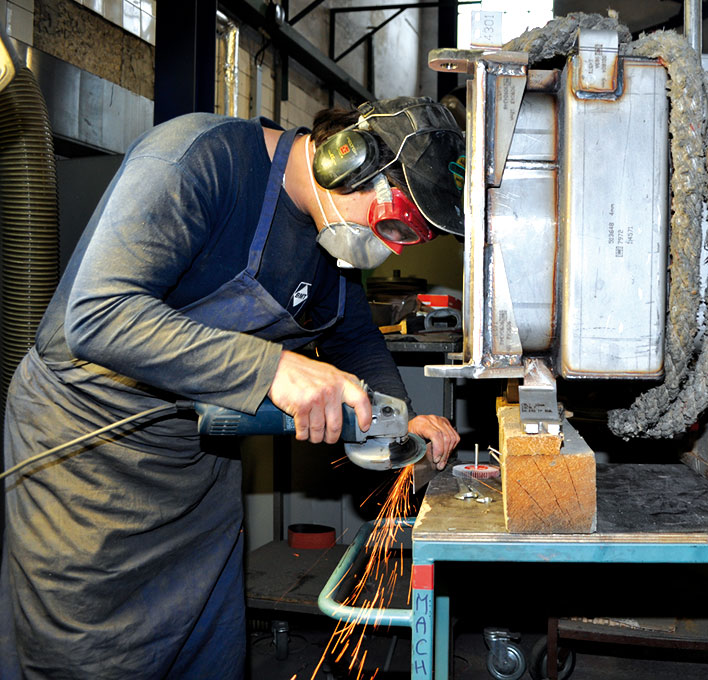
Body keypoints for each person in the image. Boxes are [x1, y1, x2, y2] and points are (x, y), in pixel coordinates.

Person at [0, 96, 463, 678]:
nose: (393, 246)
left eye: (411, 237)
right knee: (93, 660)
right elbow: (99, 314)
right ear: (346, 158)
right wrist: (271, 369)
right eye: (394, 222)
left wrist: (398, 415)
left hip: (197, 465)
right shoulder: (195, 161)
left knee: (208, 651)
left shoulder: (329, 233)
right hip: (88, 459)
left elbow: (355, 336)